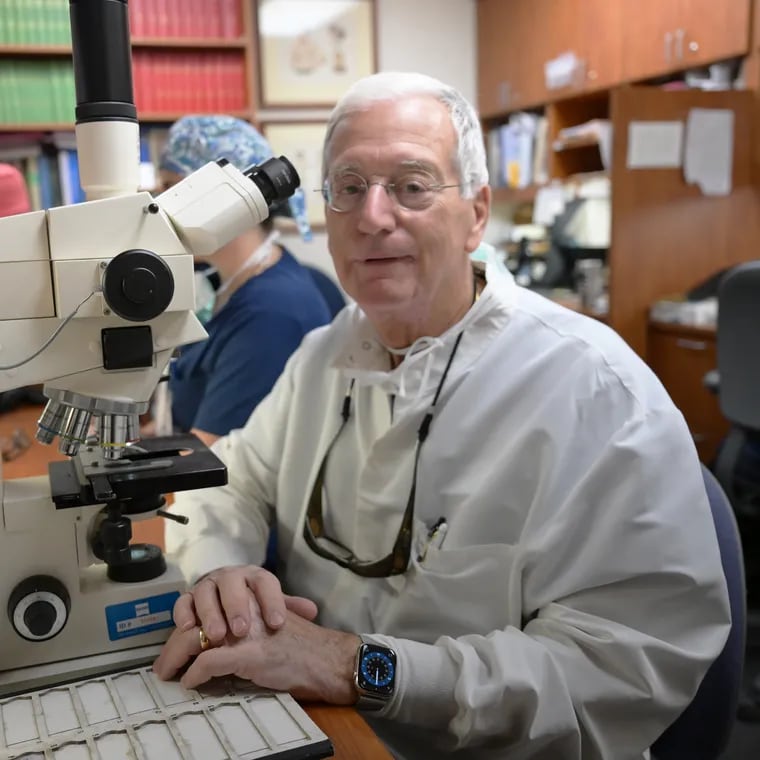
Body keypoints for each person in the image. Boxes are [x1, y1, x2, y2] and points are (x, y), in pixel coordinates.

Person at [154, 73, 731, 759]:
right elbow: (231, 480)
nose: (373, 216)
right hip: (327, 731)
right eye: (347, 187)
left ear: (478, 213)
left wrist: (351, 665)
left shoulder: (597, 392)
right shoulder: (322, 358)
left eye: (413, 186)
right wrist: (222, 575)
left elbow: (616, 672)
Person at [154, 115, 333, 446]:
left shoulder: (272, 313)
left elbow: (209, 459)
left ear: (224, 198)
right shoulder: (222, 285)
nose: (157, 207)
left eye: (169, 188)